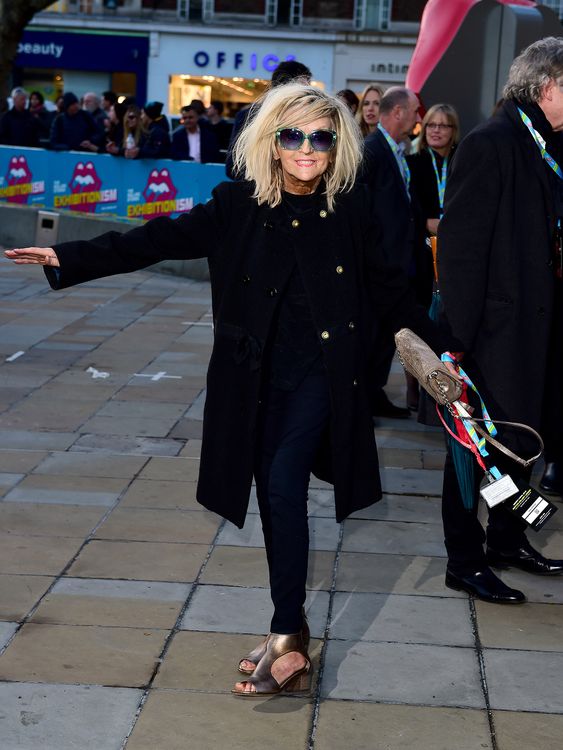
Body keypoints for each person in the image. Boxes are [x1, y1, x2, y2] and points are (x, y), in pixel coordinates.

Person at [6, 83, 441, 696]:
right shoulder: (237, 206)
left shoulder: (353, 210)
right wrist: (67, 257)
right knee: (271, 497)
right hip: (256, 378)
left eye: (322, 136)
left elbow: (395, 291)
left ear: (336, 144)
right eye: (294, 135)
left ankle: (290, 638)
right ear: (273, 141)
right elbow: (152, 241)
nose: (308, 149)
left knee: (286, 482)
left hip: (323, 378)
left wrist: (448, 346)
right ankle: (286, 627)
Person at [438, 36, 563, 604]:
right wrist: (459, 345)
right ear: (546, 86)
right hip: (493, 337)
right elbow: (460, 254)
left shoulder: (547, 145)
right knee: (476, 453)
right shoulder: (492, 143)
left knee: (525, 446)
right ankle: (464, 559)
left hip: (541, 331)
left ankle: (506, 540)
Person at [361, 86, 423, 418]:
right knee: (372, 335)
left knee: (386, 335)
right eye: (414, 111)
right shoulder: (372, 150)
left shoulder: (395, 150)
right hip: (379, 265)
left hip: (396, 263)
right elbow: (362, 209)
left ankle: (374, 394)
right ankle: (362, 402)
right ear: (398, 112)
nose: (418, 118)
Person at [407, 103, 460, 410]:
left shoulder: (461, 162)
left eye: (443, 125)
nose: (436, 130)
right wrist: (423, 221)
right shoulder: (412, 162)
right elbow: (406, 205)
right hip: (420, 251)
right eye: (431, 125)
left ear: (454, 132)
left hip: (452, 251)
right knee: (417, 318)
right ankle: (414, 384)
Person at [225, 59, 312, 179]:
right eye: (303, 88)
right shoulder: (248, 116)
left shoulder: (308, 119)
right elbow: (233, 167)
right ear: (285, 86)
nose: (307, 94)